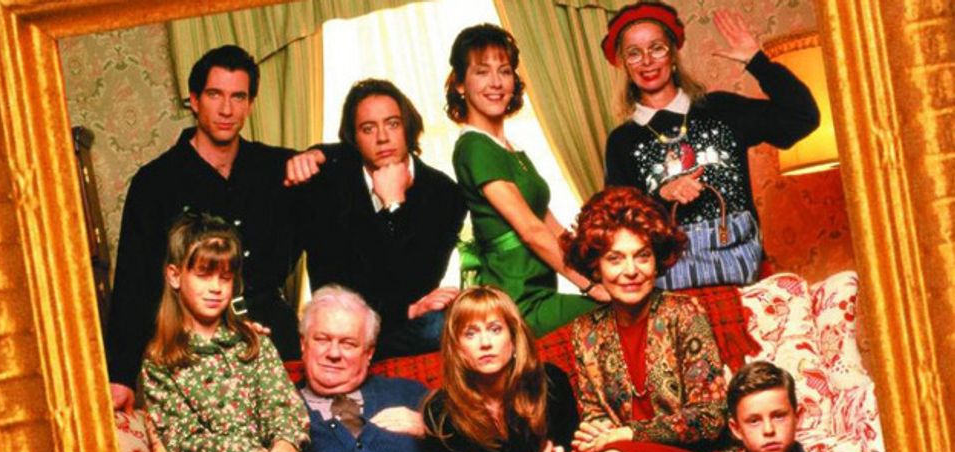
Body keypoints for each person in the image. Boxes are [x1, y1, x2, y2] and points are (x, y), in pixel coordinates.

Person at [106, 45, 309, 411]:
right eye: (215, 95)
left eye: (238, 97)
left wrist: (322, 153)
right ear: (195, 100)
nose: (227, 109)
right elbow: (133, 284)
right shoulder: (155, 182)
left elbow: (344, 183)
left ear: (250, 104)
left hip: (275, 338)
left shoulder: (277, 167)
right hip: (193, 348)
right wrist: (120, 375)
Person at [602, 4, 820, 288]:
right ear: (624, 65)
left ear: (673, 54)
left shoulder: (722, 109)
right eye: (634, 53)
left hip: (745, 278)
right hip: (673, 290)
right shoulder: (622, 141)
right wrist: (661, 194)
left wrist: (757, 61)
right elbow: (618, 224)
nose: (647, 60)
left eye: (657, 48)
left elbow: (802, 118)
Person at [559, 187, 735, 452]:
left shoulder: (684, 313)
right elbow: (594, 412)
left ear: (657, 260)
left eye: (642, 256)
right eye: (615, 259)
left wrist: (629, 433)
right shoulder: (586, 331)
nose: (631, 271)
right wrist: (597, 430)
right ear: (596, 267)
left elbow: (710, 417)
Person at [140, 213, 331, 452]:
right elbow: (186, 440)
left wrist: (285, 444)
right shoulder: (161, 360)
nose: (216, 288)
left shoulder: (253, 343)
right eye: (204, 275)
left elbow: (281, 404)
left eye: (225, 277)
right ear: (175, 276)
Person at [284, 79, 467, 359]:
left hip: (405, 323)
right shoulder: (331, 182)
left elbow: (415, 283)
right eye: (368, 129)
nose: (382, 138)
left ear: (407, 127)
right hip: (344, 320)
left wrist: (394, 206)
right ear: (354, 139)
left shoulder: (445, 194)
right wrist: (314, 153)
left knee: (438, 327)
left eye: (392, 124)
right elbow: (337, 283)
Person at [445, 24, 608, 337]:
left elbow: (553, 228)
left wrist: (602, 271)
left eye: (505, 71)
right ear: (461, 84)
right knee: (619, 312)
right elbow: (531, 232)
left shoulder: (510, 149)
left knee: (631, 298)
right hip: (514, 301)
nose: (496, 82)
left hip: (540, 292)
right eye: (482, 71)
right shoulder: (474, 147)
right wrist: (589, 286)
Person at [422, 286, 578, 452]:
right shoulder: (440, 411)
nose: (485, 343)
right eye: (471, 334)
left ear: (513, 338)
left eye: (495, 330)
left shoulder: (549, 383)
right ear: (457, 348)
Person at [296, 284, 438, 452]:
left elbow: (472, 440)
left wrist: (430, 428)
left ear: (369, 353)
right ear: (303, 344)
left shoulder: (409, 393)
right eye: (322, 340)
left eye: (348, 344)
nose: (333, 353)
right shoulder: (276, 406)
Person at [716, 361, 861, 452]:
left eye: (779, 416)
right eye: (754, 421)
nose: (769, 430)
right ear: (737, 429)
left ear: (797, 417)